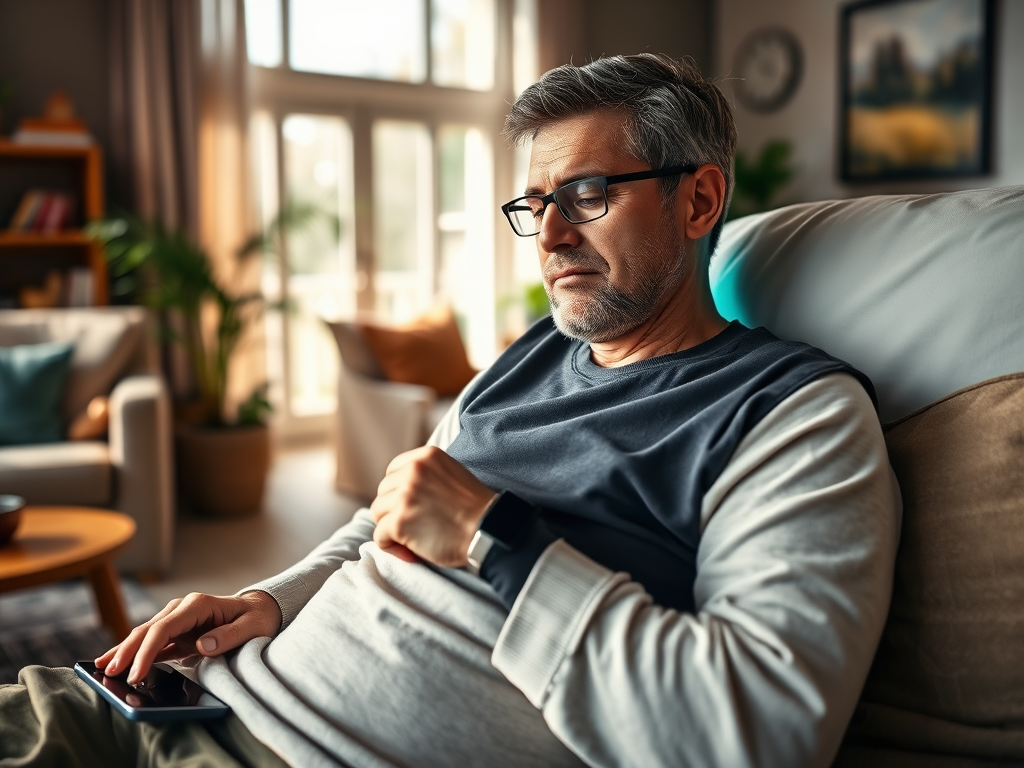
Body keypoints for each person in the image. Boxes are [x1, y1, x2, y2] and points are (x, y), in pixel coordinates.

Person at [1, 53, 900, 768]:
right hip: (191, 696)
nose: (549, 237)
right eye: (536, 204)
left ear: (698, 198)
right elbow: (386, 521)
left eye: (588, 196)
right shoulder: (527, 359)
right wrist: (267, 600)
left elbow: (758, 734)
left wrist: (494, 534)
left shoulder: (793, 417)